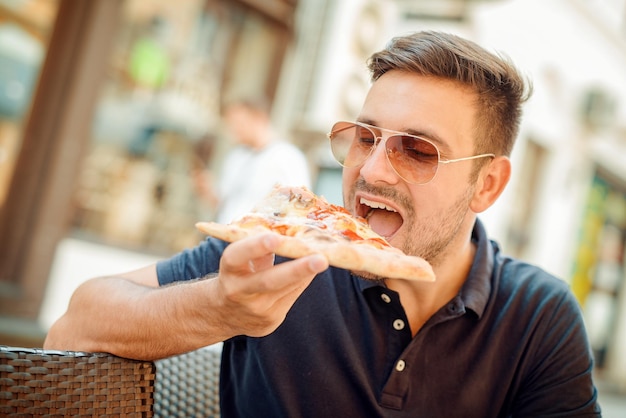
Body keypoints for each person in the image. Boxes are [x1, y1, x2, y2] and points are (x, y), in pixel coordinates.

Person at [44, 31, 601, 416]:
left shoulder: (538, 316)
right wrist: (218, 306)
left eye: (418, 149)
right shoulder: (283, 247)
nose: (373, 170)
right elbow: (72, 328)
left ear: (488, 185)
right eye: (365, 136)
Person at [192, 97, 311, 224]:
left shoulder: (288, 157)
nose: (233, 130)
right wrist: (207, 191)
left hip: (259, 240)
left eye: (238, 123)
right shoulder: (236, 157)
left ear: (259, 118)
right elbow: (224, 205)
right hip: (225, 234)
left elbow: (299, 208)